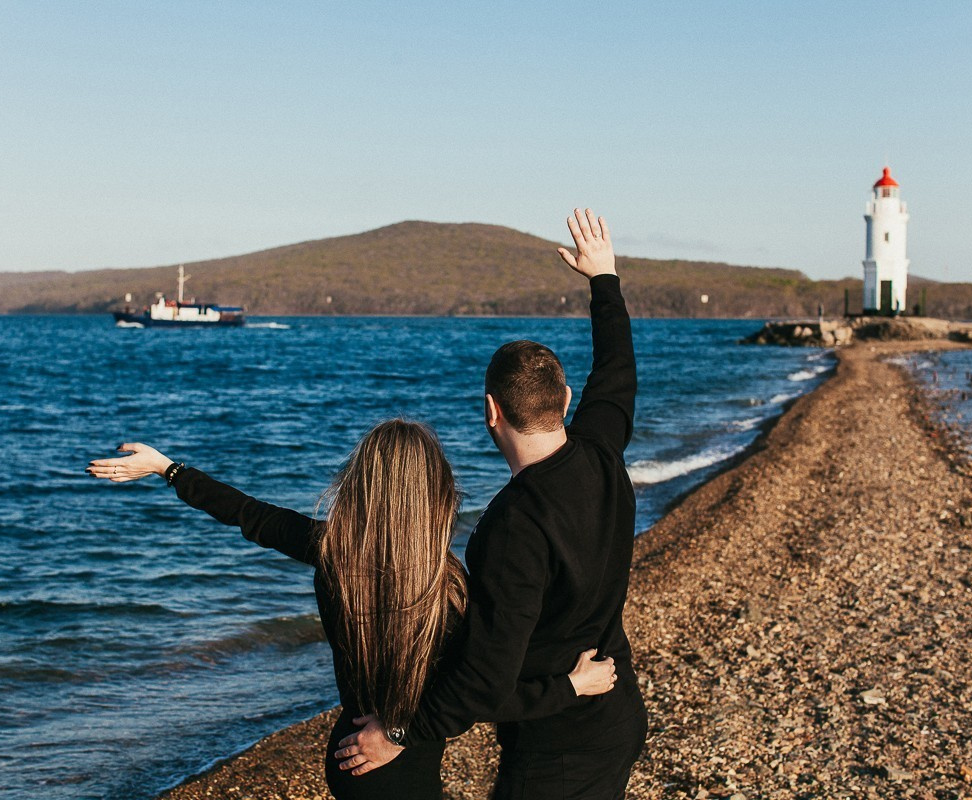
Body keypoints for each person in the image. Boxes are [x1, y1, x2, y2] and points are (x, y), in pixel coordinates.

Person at [86, 419, 616, 800]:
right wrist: (572, 685)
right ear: (434, 492)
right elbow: (481, 696)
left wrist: (167, 468)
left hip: (350, 755)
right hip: (396, 767)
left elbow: (247, 513)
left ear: (362, 485)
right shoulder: (447, 589)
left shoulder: (333, 551)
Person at [335, 209, 648, 799]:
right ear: (566, 399)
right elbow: (618, 369)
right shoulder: (603, 451)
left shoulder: (512, 527)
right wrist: (603, 278)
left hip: (556, 748)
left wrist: (398, 731)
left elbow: (483, 682)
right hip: (618, 713)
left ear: (490, 412)